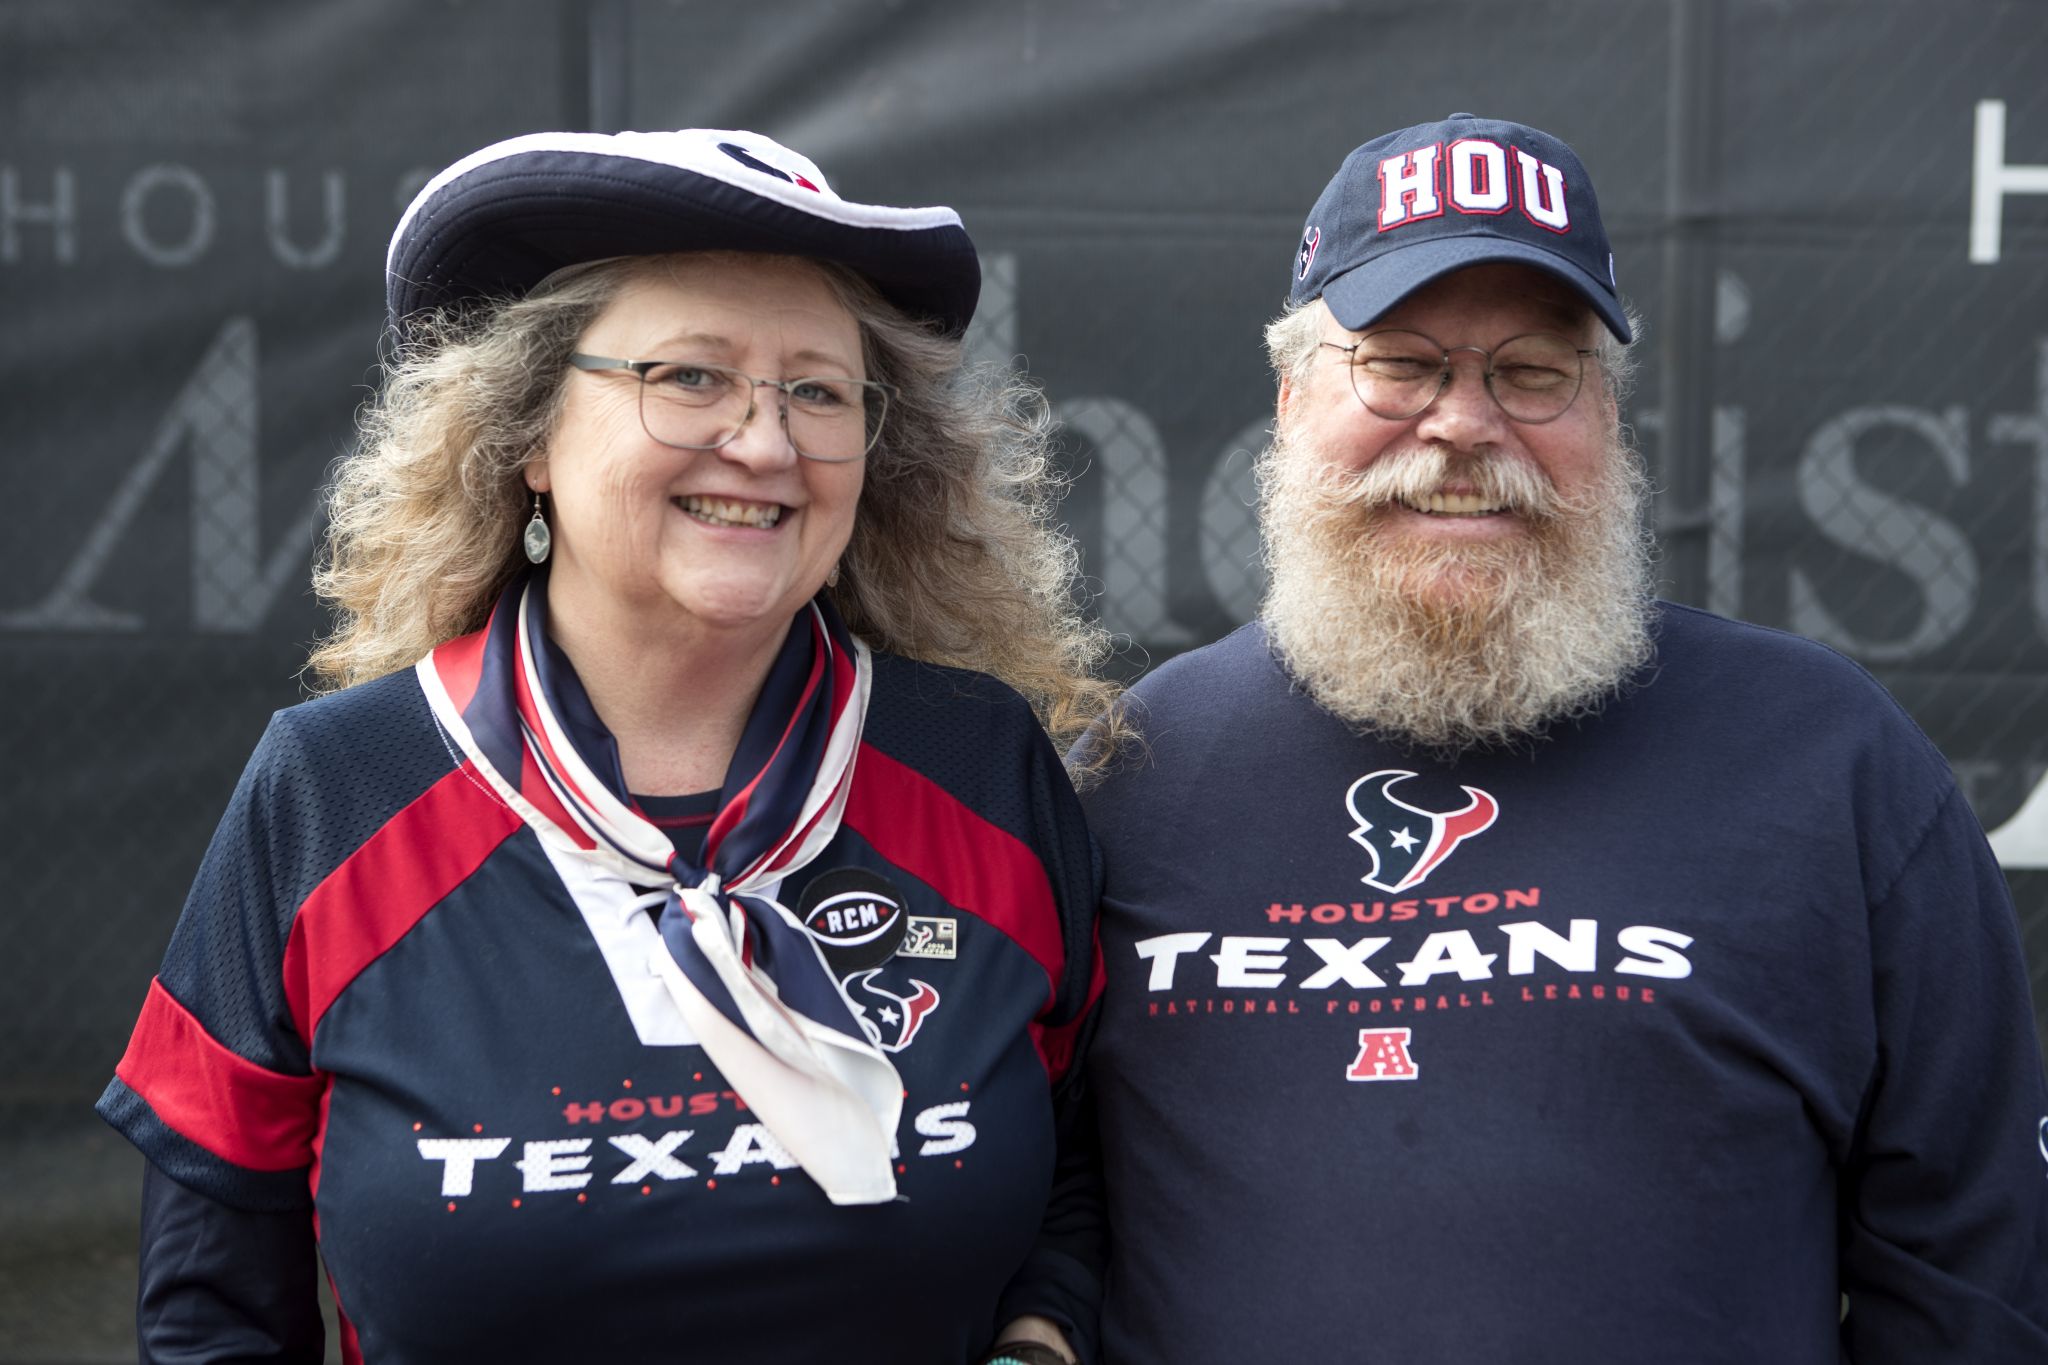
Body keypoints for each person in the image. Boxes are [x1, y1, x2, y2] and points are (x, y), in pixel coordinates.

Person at [97, 128, 1113, 1365]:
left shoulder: (976, 766)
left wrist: (1040, 1339)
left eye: (817, 389)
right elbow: (212, 1315)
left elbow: (1083, 1153)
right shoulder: (334, 790)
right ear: (527, 434)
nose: (765, 441)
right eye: (690, 376)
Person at [1077, 112, 2048, 1362]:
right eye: (1399, 363)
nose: (1462, 425)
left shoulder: (1824, 757)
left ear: (1608, 419)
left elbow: (1973, 1261)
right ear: (1289, 396)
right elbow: (1039, 1206)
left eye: (1532, 371)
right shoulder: (1135, 773)